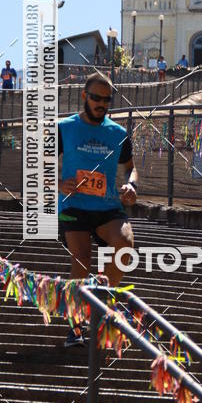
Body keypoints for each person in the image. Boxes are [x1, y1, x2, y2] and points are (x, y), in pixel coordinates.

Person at [58, 72, 138, 346]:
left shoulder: (117, 133)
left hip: (107, 206)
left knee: (125, 243)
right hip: (75, 206)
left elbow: (130, 168)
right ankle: (75, 325)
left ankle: (104, 307)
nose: (101, 104)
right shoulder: (64, 127)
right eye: (96, 98)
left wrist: (131, 185)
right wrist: (58, 182)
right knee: (81, 260)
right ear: (84, 96)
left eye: (107, 100)